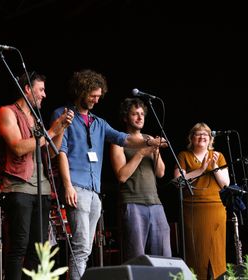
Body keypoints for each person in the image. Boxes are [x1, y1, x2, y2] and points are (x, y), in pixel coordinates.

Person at [50, 69, 167, 280]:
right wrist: (67, 185)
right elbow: (61, 152)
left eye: (99, 95)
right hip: (77, 187)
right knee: (81, 247)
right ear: (81, 91)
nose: (96, 99)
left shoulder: (99, 122)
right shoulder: (63, 114)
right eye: (93, 95)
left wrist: (151, 142)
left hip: (95, 191)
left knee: (87, 247)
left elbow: (125, 139)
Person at [0, 71, 74, 280]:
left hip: (42, 190)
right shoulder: (7, 112)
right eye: (41, 90)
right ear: (28, 90)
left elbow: (49, 152)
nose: (44, 95)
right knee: (19, 247)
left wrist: (61, 129)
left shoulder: (36, 119)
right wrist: (51, 130)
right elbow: (18, 147)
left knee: (38, 250)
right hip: (18, 188)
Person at [110, 97, 171, 262]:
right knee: (136, 257)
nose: (140, 117)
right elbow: (122, 176)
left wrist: (155, 150)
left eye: (142, 114)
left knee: (164, 256)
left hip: (155, 202)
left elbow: (161, 173)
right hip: (132, 202)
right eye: (135, 114)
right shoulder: (118, 142)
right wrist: (141, 153)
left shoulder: (149, 138)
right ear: (125, 117)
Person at [173, 122, 230, 280]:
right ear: (191, 138)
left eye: (206, 134)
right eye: (198, 134)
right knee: (196, 252)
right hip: (193, 210)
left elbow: (225, 184)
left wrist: (214, 168)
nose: (203, 136)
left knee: (216, 252)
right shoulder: (184, 155)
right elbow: (178, 181)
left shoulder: (218, 156)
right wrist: (201, 170)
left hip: (215, 208)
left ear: (210, 139)